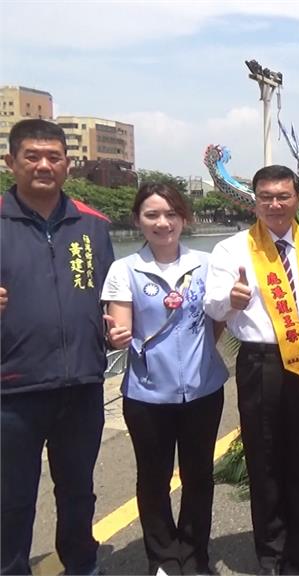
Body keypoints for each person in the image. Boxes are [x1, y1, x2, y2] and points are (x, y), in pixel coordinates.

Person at [203, 165, 299, 576]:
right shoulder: (232, 250)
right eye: (266, 197)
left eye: (283, 196)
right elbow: (212, 305)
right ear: (254, 201)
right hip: (262, 363)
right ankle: (272, 555)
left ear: (297, 198)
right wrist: (232, 300)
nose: (274, 204)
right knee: (266, 459)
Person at [1, 119, 115, 576]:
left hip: (82, 384)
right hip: (12, 390)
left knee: (77, 489)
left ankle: (82, 563)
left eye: (54, 157)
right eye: (32, 156)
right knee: (11, 495)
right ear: (11, 162)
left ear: (68, 164)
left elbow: (113, 296)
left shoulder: (93, 225)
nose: (44, 165)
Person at [101, 184, 228, 575]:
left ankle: (194, 557)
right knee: (153, 480)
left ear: (184, 218)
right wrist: (117, 336)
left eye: (171, 214)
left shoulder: (206, 264)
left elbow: (216, 320)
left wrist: (197, 355)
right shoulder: (124, 269)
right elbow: (119, 325)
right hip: (146, 395)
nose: (163, 222)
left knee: (199, 477)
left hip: (204, 391)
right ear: (137, 219)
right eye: (152, 215)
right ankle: (164, 558)